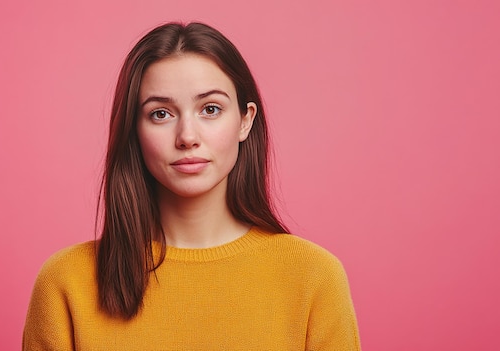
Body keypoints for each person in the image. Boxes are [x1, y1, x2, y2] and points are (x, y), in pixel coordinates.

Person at [22, 22, 360, 350]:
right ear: (134, 130)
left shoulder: (314, 278)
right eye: (160, 114)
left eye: (210, 109)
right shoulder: (66, 283)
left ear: (245, 120)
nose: (187, 137)